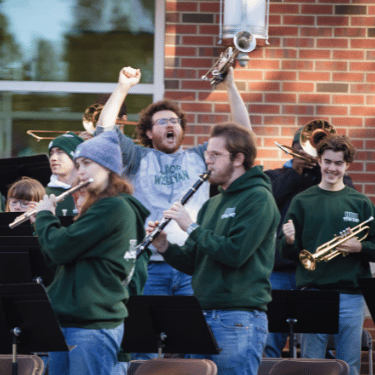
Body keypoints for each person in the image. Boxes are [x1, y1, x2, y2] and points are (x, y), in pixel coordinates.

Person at [95, 66, 252, 303]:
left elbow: (244, 136)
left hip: (193, 265)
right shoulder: (137, 157)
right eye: (162, 122)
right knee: (150, 334)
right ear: (148, 132)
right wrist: (123, 88)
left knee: (191, 336)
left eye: (174, 121)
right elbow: (103, 134)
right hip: (150, 266)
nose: (170, 125)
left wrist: (230, 86)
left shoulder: (202, 155)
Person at [147, 123, 280, 375]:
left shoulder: (258, 198)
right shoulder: (213, 203)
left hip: (237, 318)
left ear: (239, 159)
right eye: (207, 154)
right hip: (202, 314)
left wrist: (191, 227)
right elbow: (193, 261)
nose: (208, 161)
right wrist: (164, 246)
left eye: (215, 155)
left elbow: (234, 254)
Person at [33, 131, 149, 375]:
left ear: (108, 167)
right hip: (71, 322)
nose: (80, 171)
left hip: (92, 325)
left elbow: (59, 248)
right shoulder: (96, 208)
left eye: (86, 163)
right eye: (78, 165)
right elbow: (62, 257)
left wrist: (45, 216)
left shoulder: (113, 207)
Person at [278, 135, 375, 375]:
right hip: (314, 292)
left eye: (338, 163)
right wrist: (289, 240)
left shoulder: (360, 202)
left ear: (347, 165)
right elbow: (288, 253)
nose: (332, 168)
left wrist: (360, 247)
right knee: (312, 365)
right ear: (319, 161)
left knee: (349, 365)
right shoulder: (302, 200)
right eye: (327, 161)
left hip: (351, 296)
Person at [263, 121, 355, 358]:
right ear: (295, 147)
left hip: (317, 274)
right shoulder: (274, 176)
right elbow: (267, 202)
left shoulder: (331, 176)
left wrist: (318, 172)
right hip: (280, 271)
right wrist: (295, 172)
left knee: (314, 346)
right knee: (270, 341)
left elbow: (345, 197)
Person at [45, 131, 84, 216]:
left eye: (60, 152)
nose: (53, 158)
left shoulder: (91, 191)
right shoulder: (43, 194)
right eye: (51, 153)